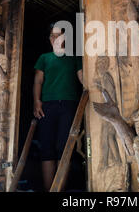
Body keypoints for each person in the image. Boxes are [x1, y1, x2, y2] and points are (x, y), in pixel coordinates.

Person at [33, 23, 83, 191]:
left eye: (59, 35)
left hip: (69, 106)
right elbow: (38, 81)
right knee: (47, 147)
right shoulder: (44, 58)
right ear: (49, 39)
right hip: (47, 106)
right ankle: (49, 189)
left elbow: (83, 78)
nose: (55, 38)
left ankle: (59, 188)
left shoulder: (74, 57)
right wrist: (37, 101)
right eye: (52, 36)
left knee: (64, 148)